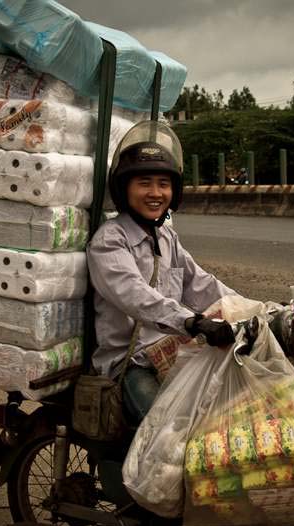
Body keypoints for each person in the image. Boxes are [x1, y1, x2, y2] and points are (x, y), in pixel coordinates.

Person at [87, 120, 238, 424]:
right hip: (131, 365)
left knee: (224, 416)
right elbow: (136, 295)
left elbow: (201, 284)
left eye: (163, 184)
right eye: (144, 183)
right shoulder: (109, 240)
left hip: (172, 352)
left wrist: (250, 309)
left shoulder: (167, 237)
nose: (155, 192)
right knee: (170, 434)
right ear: (124, 187)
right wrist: (191, 322)